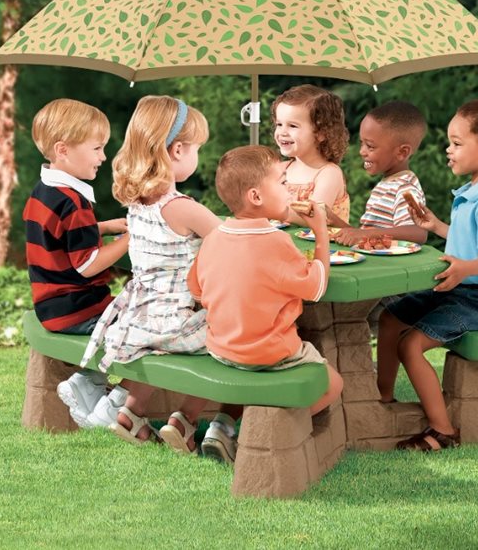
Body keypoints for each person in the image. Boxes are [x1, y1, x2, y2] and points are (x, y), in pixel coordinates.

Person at [80, 95, 240, 449]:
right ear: (178, 150)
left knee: (163, 346)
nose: (198, 156)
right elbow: (235, 243)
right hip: (176, 322)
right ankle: (186, 420)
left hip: (141, 317)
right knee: (234, 335)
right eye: (197, 148)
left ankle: (131, 414)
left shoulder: (136, 204)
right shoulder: (183, 207)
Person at [181, 145, 344, 460]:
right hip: (270, 354)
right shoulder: (277, 242)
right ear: (256, 196)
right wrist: (321, 232)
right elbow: (317, 286)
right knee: (333, 384)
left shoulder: (213, 238)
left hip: (221, 348)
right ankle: (258, 434)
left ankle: (222, 426)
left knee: (250, 360)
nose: (289, 190)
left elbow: (197, 290)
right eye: (282, 182)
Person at [377, 98, 478, 452]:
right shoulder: (473, 192)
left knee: (411, 345)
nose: (448, 149)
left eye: (457, 143)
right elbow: (468, 240)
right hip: (456, 289)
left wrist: (463, 268)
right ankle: (383, 399)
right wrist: (437, 226)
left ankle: (443, 431)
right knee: (390, 318)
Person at [24, 98, 130, 429]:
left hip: (50, 307)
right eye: (97, 148)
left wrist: (103, 227)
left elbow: (58, 236)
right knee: (148, 323)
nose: (103, 157)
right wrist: (131, 239)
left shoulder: (43, 191)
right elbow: (88, 265)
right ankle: (96, 388)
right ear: (63, 150)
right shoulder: (74, 202)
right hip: (79, 311)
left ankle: (91, 382)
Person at [330, 100, 429, 246]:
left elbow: (418, 232)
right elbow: (363, 235)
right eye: (362, 143)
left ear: (402, 152)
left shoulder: (405, 187)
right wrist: (331, 219)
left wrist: (365, 234)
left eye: (370, 146)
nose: (362, 151)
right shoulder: (387, 184)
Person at [272, 84, 350, 224]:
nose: (282, 132)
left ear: (321, 133)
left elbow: (315, 216)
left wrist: (272, 210)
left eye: (292, 126)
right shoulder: (280, 169)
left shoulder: (328, 173)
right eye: (279, 124)